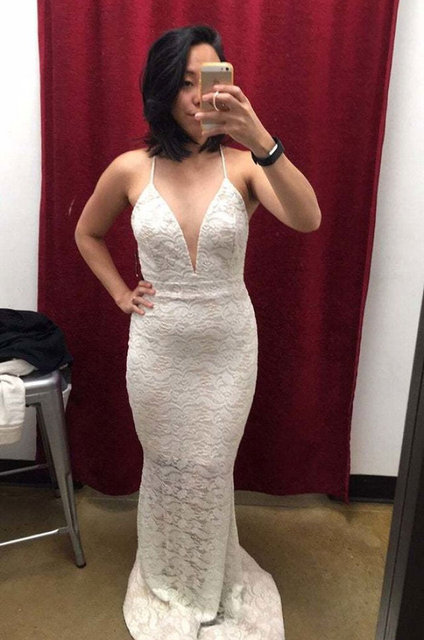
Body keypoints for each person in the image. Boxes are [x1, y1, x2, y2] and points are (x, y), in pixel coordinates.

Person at [75, 23, 321, 640]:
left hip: (227, 350)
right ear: (162, 90)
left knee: (210, 467)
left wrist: (260, 138)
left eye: (208, 81)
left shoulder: (245, 166)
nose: (198, 96)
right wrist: (120, 293)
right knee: (165, 467)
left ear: (226, 86)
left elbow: (308, 218)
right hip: (157, 353)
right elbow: (87, 233)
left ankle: (208, 582)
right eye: (184, 83)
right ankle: (169, 578)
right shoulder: (131, 169)